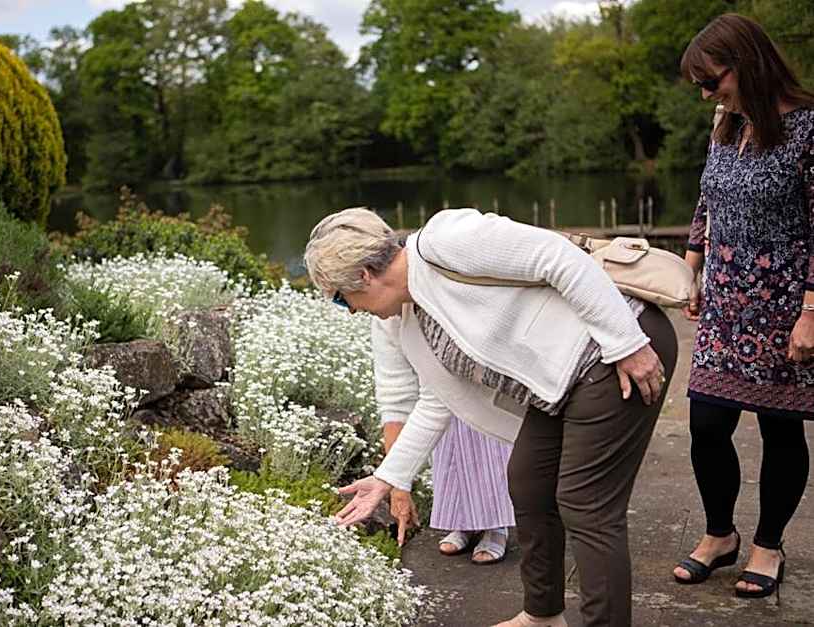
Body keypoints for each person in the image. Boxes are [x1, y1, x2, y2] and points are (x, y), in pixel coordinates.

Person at [305, 206, 677, 627]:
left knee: (586, 505)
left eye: (341, 299)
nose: (350, 311)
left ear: (363, 277)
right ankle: (543, 617)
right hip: (558, 386)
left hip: (618, 351)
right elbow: (434, 401)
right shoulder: (408, 320)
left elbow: (558, 257)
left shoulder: (447, 240)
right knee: (528, 482)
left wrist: (627, 343)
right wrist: (390, 476)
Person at [671, 13, 814, 600]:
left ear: (747, 63)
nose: (708, 94)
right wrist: (691, 263)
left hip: (785, 303)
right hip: (726, 300)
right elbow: (708, 198)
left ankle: (768, 545)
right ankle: (720, 534)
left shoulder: (808, 128)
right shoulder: (726, 125)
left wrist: (811, 310)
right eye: (701, 86)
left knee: (781, 429)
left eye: (713, 81)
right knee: (706, 423)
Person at [372, 314, 515, 563]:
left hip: (480, 373)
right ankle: (463, 522)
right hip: (438, 392)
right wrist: (397, 485)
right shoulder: (386, 318)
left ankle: (496, 526)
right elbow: (395, 397)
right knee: (452, 453)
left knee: (488, 450)